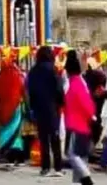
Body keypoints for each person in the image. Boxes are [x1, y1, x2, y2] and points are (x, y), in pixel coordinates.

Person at [27, 45, 65, 176]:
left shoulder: (33, 71)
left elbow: (30, 91)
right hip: (52, 108)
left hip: (39, 108)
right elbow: (59, 89)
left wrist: (32, 107)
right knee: (55, 138)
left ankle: (45, 167)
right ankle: (58, 168)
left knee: (43, 139)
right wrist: (61, 102)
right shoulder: (53, 70)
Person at [63, 51, 96, 185]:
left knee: (72, 154)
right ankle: (78, 182)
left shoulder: (75, 84)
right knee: (80, 155)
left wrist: (91, 116)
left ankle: (87, 179)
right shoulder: (78, 83)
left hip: (76, 124)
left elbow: (85, 103)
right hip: (80, 123)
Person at [0, 56, 28, 165]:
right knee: (16, 133)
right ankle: (18, 156)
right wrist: (28, 108)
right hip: (15, 109)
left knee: (5, 132)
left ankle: (7, 156)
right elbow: (24, 92)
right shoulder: (18, 76)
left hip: (2, 110)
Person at [83, 57, 107, 146]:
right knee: (96, 123)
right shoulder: (99, 74)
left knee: (91, 124)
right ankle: (93, 143)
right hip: (97, 102)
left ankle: (91, 144)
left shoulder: (85, 76)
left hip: (91, 102)